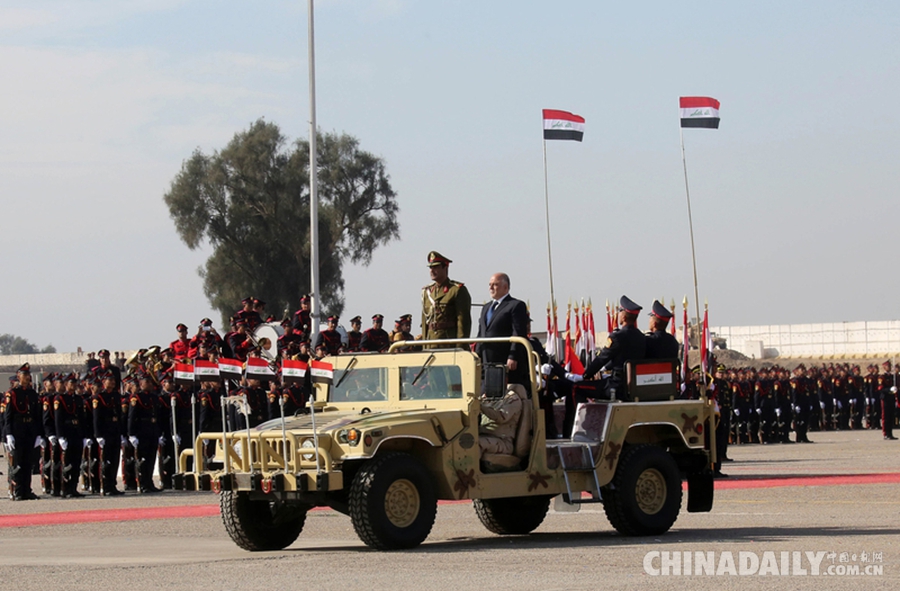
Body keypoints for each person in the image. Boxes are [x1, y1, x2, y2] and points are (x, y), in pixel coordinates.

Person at [579, 295, 647, 400]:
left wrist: (585, 375)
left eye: (620, 311)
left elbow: (602, 358)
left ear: (624, 317)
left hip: (617, 385)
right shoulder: (642, 337)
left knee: (576, 388)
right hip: (635, 385)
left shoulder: (617, 337)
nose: (618, 314)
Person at [475, 273, 529, 386]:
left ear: (505, 287)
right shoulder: (486, 307)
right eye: (490, 284)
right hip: (486, 362)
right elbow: (481, 333)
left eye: (495, 285)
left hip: (504, 361)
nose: (491, 288)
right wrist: (477, 355)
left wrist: (513, 356)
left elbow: (518, 333)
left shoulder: (515, 305)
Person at [2, 363, 42, 500]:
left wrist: (38, 434)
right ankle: (18, 491)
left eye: (28, 375)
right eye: (24, 375)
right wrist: (8, 434)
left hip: (29, 432)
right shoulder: (12, 394)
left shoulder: (32, 394)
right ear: (18, 376)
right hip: (17, 432)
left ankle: (27, 490)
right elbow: (8, 416)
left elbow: (37, 416)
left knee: (28, 463)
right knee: (18, 463)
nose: (27, 377)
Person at [421, 251, 471, 343]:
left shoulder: (457, 290)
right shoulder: (427, 292)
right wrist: (424, 344)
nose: (432, 270)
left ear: (445, 267)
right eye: (430, 267)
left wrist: (460, 347)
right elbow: (425, 323)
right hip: (430, 343)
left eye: (436, 267)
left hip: (448, 344)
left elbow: (463, 322)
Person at [478, 386, 523, 456]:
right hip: (483, 435)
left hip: (502, 441)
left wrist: (481, 407)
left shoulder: (512, 398)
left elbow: (501, 417)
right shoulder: (487, 396)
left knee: (474, 446)